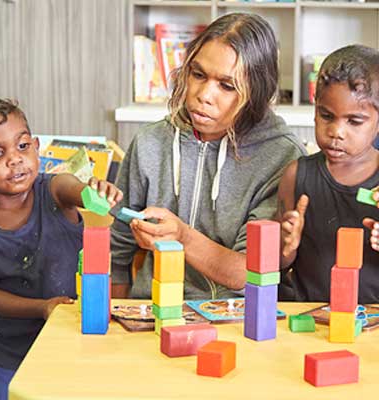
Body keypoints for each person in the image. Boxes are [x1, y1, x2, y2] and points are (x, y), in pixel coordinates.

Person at [111, 13, 306, 300]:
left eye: (227, 86)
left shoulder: (282, 157)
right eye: (198, 74)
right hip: (151, 313)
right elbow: (117, 254)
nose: (203, 94)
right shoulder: (151, 142)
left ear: (257, 93)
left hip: (238, 322)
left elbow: (249, 271)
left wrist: (182, 237)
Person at [0, 98, 122, 400]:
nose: (15, 160)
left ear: (37, 146)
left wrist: (94, 191)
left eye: (23, 146)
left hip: (73, 348)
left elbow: (75, 188)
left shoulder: (54, 190)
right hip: (8, 358)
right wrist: (43, 308)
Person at [277, 44, 379, 303]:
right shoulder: (296, 176)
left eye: (354, 121)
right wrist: (287, 245)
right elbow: (278, 263)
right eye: (326, 115)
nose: (337, 132)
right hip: (308, 322)